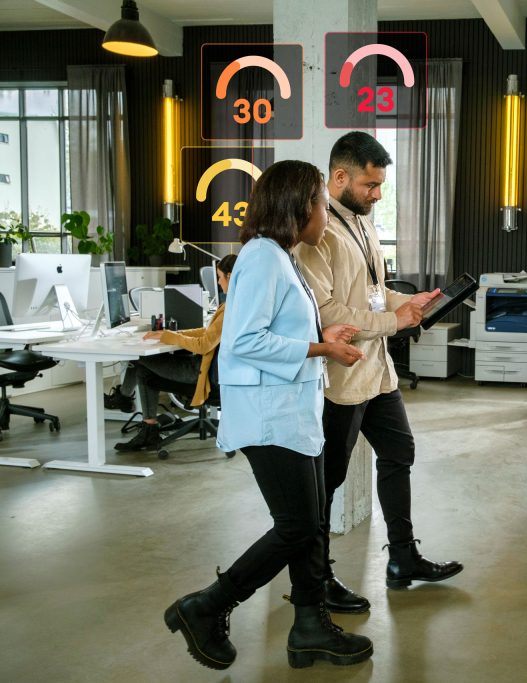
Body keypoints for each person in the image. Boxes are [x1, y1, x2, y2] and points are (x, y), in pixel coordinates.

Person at [164, 160, 373, 671]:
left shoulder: (281, 256)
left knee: (312, 524)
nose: (325, 214)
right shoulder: (261, 257)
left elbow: (278, 328)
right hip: (268, 417)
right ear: (299, 206)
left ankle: (309, 628)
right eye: (321, 204)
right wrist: (321, 349)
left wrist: (322, 338)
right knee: (297, 527)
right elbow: (245, 341)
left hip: (292, 413)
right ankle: (206, 605)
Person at [293, 131, 463, 601]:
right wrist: (393, 320)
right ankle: (317, 579)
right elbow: (325, 312)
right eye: (370, 185)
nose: (378, 195)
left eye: (380, 185)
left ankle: (402, 556)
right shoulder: (316, 233)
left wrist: (408, 303)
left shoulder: (364, 223)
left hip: (378, 371)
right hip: (340, 379)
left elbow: (372, 290)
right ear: (339, 177)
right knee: (328, 480)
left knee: (399, 452)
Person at [113, 254, 237, 452]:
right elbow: (208, 333)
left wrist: (170, 337)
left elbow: (203, 345)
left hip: (201, 374)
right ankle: (139, 416)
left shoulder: (231, 307)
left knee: (141, 361)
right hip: (216, 373)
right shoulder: (239, 303)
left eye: (220, 277)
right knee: (145, 366)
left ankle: (130, 406)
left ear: (230, 276)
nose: (219, 282)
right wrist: (173, 334)